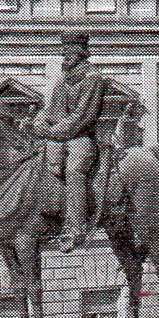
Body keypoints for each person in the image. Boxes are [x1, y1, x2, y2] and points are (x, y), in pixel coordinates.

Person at [32, 33, 110, 251]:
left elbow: (82, 116)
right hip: (57, 136)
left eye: (69, 51)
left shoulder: (93, 78)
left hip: (81, 137)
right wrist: (39, 122)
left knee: (75, 170)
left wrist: (52, 132)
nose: (65, 56)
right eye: (64, 51)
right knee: (39, 162)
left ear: (81, 52)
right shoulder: (63, 79)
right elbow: (51, 110)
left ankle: (76, 228)